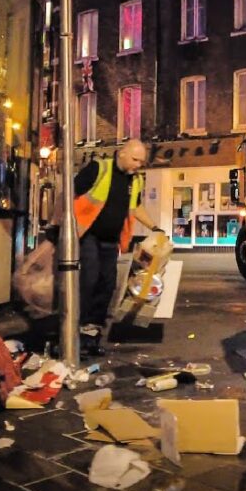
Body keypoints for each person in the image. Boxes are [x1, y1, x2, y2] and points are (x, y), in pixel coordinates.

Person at [71, 139, 161, 357]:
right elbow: (68, 194)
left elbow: (136, 206)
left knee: (108, 285)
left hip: (111, 240)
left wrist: (155, 227)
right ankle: (75, 334)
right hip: (88, 235)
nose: (138, 165)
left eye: (141, 161)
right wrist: (58, 225)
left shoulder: (135, 180)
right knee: (89, 281)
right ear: (121, 154)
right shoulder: (98, 169)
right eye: (135, 159)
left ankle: (92, 334)